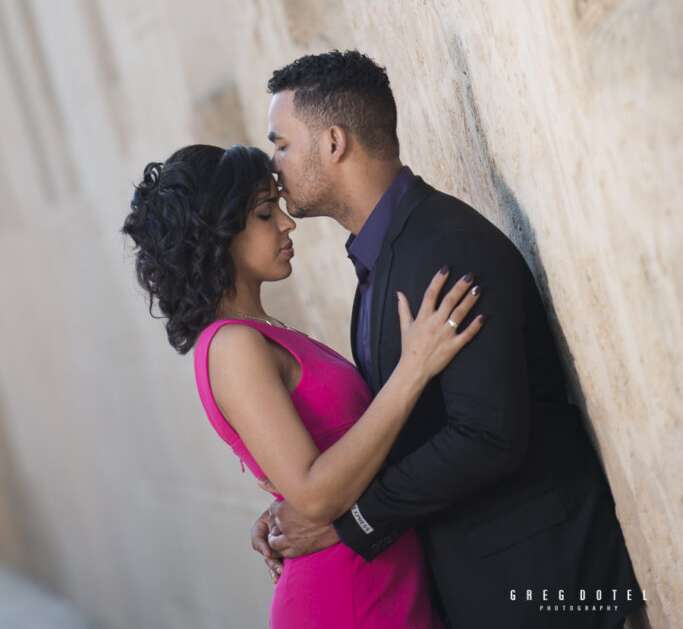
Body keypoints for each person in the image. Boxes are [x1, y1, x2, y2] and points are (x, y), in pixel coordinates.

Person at [252, 50, 643, 629]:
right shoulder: (382, 261)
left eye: (281, 144)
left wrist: (346, 518)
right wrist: (313, 497)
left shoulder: (444, 248)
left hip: (544, 583)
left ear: (334, 143)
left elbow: (487, 436)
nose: (274, 166)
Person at [121, 143, 485, 628]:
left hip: (381, 575)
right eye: (265, 213)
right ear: (219, 234)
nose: (288, 224)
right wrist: (412, 369)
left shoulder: (263, 331)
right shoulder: (232, 346)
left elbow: (317, 464)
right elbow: (315, 494)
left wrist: (280, 507)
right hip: (345, 597)